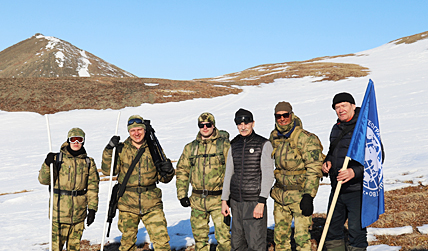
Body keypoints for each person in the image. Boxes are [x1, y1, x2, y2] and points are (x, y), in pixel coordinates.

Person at [101, 115, 175, 251]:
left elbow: (165, 179)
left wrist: (169, 171)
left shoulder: (154, 149)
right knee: (127, 244)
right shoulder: (121, 149)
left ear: (144, 130)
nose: (136, 133)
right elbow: (108, 171)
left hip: (152, 203)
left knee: (162, 242)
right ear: (129, 132)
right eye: (133, 130)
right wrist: (109, 149)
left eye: (139, 130)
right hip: (127, 204)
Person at [269, 101, 324, 250]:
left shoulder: (306, 138)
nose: (282, 119)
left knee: (302, 239)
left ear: (291, 115)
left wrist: (309, 196)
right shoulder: (274, 137)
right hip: (280, 196)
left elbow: (314, 168)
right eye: (278, 116)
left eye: (285, 115)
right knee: (280, 240)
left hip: (300, 196)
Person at [176, 112, 231, 251]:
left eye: (208, 125)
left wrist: (229, 196)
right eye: (202, 125)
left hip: (219, 199)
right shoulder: (190, 148)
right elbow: (182, 170)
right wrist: (182, 194)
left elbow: (233, 171)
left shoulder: (224, 146)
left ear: (213, 125)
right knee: (200, 241)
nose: (205, 128)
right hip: (197, 200)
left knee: (224, 239)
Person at [221, 108, 275, 251]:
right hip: (236, 203)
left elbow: (268, 175)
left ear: (253, 123)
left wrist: (261, 201)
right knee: (237, 245)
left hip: (254, 203)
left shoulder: (263, 144)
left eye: (246, 123)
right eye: (239, 124)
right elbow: (228, 173)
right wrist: (224, 200)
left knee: (256, 245)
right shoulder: (234, 144)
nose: (243, 127)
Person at [39, 128, 100, 251]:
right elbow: (44, 180)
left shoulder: (88, 162)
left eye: (79, 139)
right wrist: (47, 164)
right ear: (68, 141)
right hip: (59, 213)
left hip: (79, 214)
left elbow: (93, 187)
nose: (76, 142)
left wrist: (92, 209)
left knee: (74, 248)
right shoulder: (57, 159)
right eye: (73, 139)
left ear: (83, 142)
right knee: (56, 248)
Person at [322, 93, 367, 251]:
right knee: (332, 230)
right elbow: (332, 152)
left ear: (353, 106)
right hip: (337, 189)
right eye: (337, 107)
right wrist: (326, 163)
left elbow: (377, 158)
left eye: (344, 105)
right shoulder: (336, 128)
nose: (340, 110)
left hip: (356, 190)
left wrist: (354, 172)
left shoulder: (364, 128)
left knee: (356, 231)